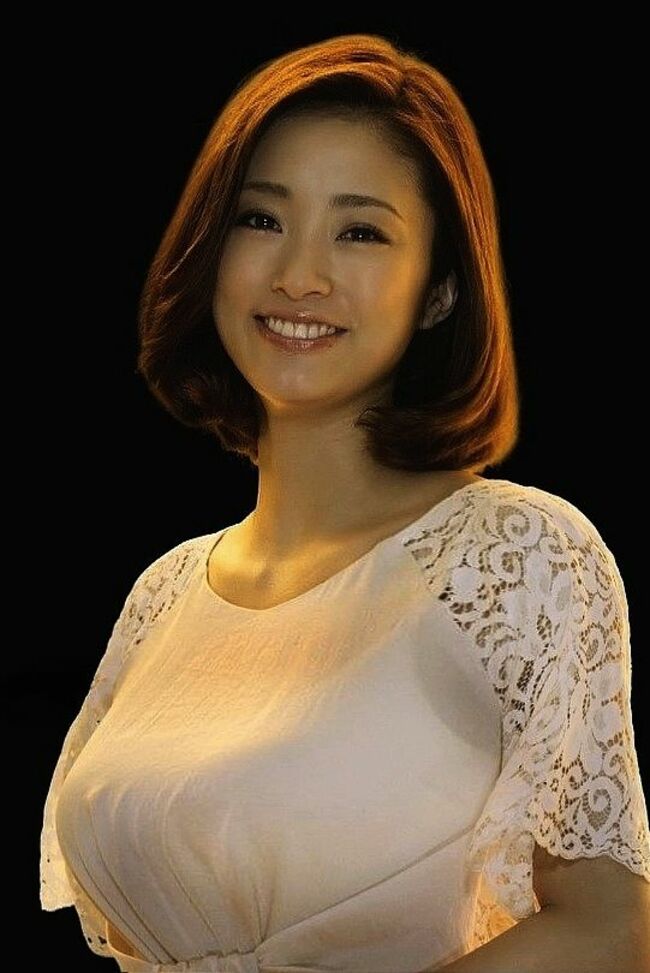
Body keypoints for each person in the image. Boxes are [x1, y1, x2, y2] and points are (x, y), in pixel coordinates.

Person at [39, 33, 650, 973]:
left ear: (438, 290)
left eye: (360, 231)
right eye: (260, 219)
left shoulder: (517, 555)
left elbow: (610, 927)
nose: (299, 276)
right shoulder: (163, 594)